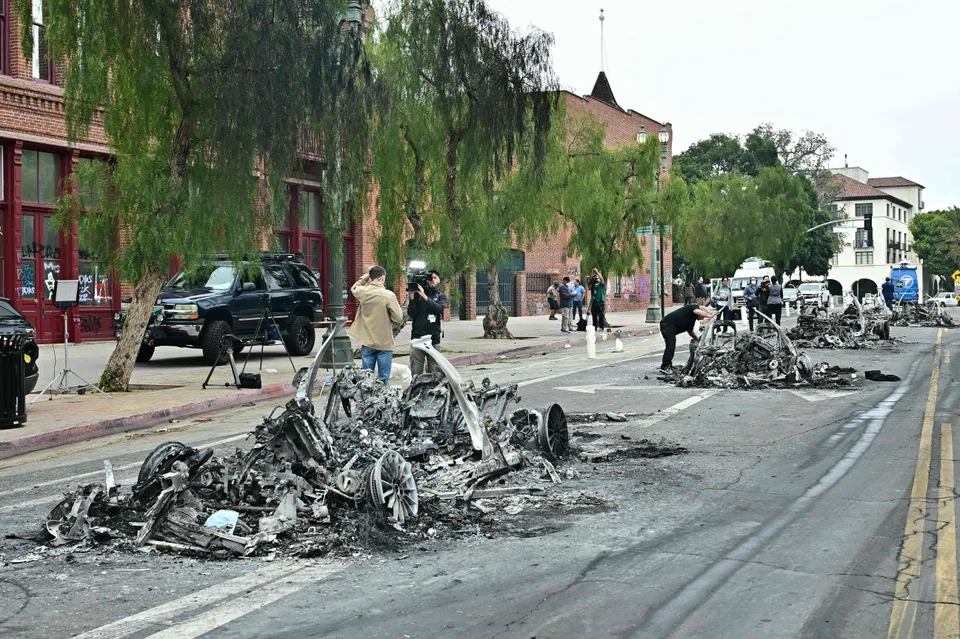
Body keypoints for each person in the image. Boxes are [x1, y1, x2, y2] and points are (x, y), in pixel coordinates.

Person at [348, 266, 404, 382]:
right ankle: (381, 399)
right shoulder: (388, 295)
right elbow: (398, 318)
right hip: (384, 342)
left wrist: (365, 276)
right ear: (382, 279)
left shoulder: (363, 292)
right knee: (383, 378)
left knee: (366, 379)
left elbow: (354, 287)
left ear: (371, 278)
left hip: (367, 341)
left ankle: (366, 399)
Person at [408, 270, 448, 375]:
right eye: (430, 279)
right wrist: (412, 297)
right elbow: (411, 313)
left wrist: (424, 295)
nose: (432, 281)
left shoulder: (441, 296)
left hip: (433, 338)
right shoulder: (417, 296)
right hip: (417, 337)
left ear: (439, 280)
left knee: (434, 370)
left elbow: (439, 309)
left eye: (435, 278)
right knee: (416, 370)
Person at [659, 304, 717, 373]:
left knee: (671, 345)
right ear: (701, 312)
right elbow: (697, 312)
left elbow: (690, 331)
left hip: (668, 326)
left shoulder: (691, 320)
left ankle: (668, 365)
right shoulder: (693, 307)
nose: (702, 318)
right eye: (703, 316)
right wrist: (710, 316)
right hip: (667, 324)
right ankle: (664, 366)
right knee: (670, 346)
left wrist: (697, 338)